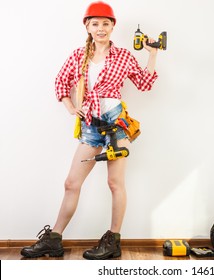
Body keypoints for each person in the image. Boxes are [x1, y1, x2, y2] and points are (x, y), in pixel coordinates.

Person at [21, 1, 158, 260]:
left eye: (106, 23)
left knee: (115, 184)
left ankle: (113, 240)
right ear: (87, 26)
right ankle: (54, 239)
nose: (101, 28)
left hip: (117, 125)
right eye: (95, 23)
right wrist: (71, 107)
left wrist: (152, 54)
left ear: (113, 26)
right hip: (91, 126)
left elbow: (144, 83)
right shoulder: (78, 56)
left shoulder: (124, 56)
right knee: (71, 183)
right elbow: (61, 81)